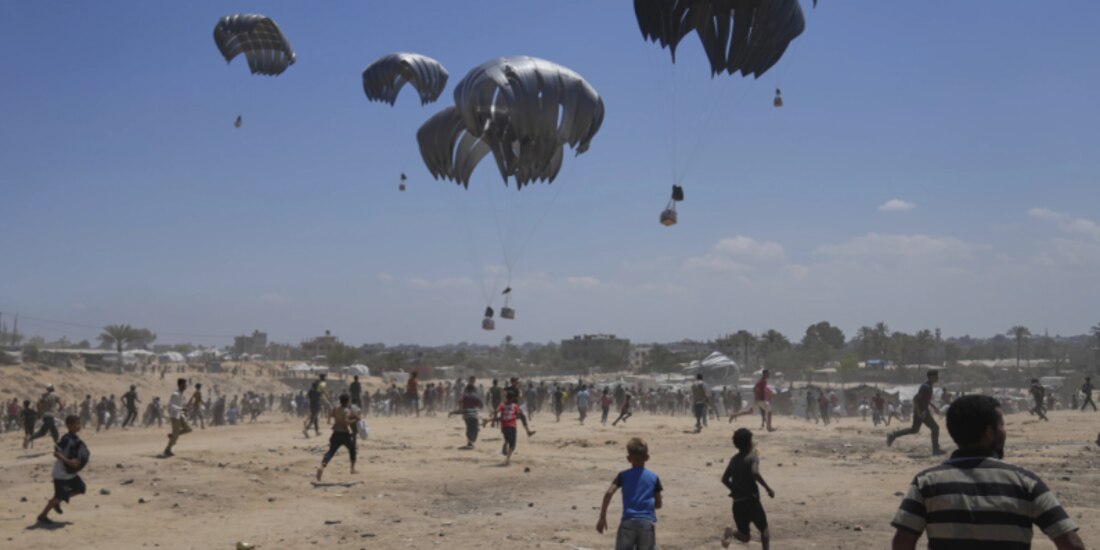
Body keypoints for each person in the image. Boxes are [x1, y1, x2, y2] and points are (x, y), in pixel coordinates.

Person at [890, 394, 1085, 550]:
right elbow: (1071, 544)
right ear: (989, 433)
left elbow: (902, 543)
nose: (1004, 432)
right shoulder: (1025, 482)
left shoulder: (927, 482)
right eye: (1001, 425)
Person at [596, 438, 663, 550]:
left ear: (628, 459)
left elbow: (609, 492)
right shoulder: (654, 477)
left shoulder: (623, 475)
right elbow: (659, 504)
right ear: (647, 457)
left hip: (628, 522)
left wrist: (602, 517)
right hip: (646, 523)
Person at [721, 428, 774, 549]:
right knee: (764, 530)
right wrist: (768, 488)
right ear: (749, 442)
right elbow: (755, 473)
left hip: (738, 503)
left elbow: (724, 479)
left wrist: (735, 489)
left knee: (745, 536)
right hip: (752, 501)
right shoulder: (752, 457)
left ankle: (732, 533)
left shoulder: (734, 460)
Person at [37, 415, 89, 525]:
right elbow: (56, 453)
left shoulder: (75, 437)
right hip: (61, 474)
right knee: (59, 496)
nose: (78, 426)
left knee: (81, 489)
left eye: (79, 423)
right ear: (69, 425)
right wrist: (68, 462)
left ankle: (58, 500)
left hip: (71, 473)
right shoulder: (66, 438)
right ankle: (42, 515)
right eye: (76, 424)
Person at [887, 370, 944, 455]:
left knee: (914, 430)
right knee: (935, 428)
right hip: (921, 411)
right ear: (931, 377)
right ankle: (936, 450)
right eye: (936, 376)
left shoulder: (929, 386)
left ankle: (893, 435)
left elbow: (925, 399)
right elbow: (915, 399)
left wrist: (934, 407)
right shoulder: (926, 387)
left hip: (922, 411)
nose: (938, 378)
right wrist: (919, 412)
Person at [316, 394, 359, 482]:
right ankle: (352, 469)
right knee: (352, 449)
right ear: (347, 401)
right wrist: (355, 420)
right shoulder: (346, 410)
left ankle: (322, 466)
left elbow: (330, 414)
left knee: (331, 452)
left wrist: (329, 421)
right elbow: (346, 421)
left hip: (335, 433)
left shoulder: (336, 408)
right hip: (344, 434)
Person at [492, 390, 528, 465]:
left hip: (504, 426)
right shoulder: (515, 406)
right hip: (512, 426)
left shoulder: (502, 404)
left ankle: (505, 442)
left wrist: (493, 421)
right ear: (513, 398)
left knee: (507, 438)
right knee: (513, 445)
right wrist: (516, 417)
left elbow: (496, 411)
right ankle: (507, 459)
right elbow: (518, 414)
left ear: (506, 397)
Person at [163, 379, 193, 458]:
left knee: (189, 429)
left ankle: (173, 435)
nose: (185, 386)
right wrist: (181, 409)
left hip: (180, 415)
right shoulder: (175, 394)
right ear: (179, 385)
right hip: (175, 416)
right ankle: (167, 449)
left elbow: (180, 405)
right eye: (184, 384)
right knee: (176, 435)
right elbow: (170, 405)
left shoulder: (181, 394)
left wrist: (184, 410)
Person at [449, 381, 483, 449]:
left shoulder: (464, 395)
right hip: (474, 414)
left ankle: (470, 441)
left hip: (466, 414)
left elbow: (460, 405)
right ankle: (471, 441)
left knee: (469, 427)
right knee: (475, 428)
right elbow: (481, 405)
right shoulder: (476, 395)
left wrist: (455, 411)